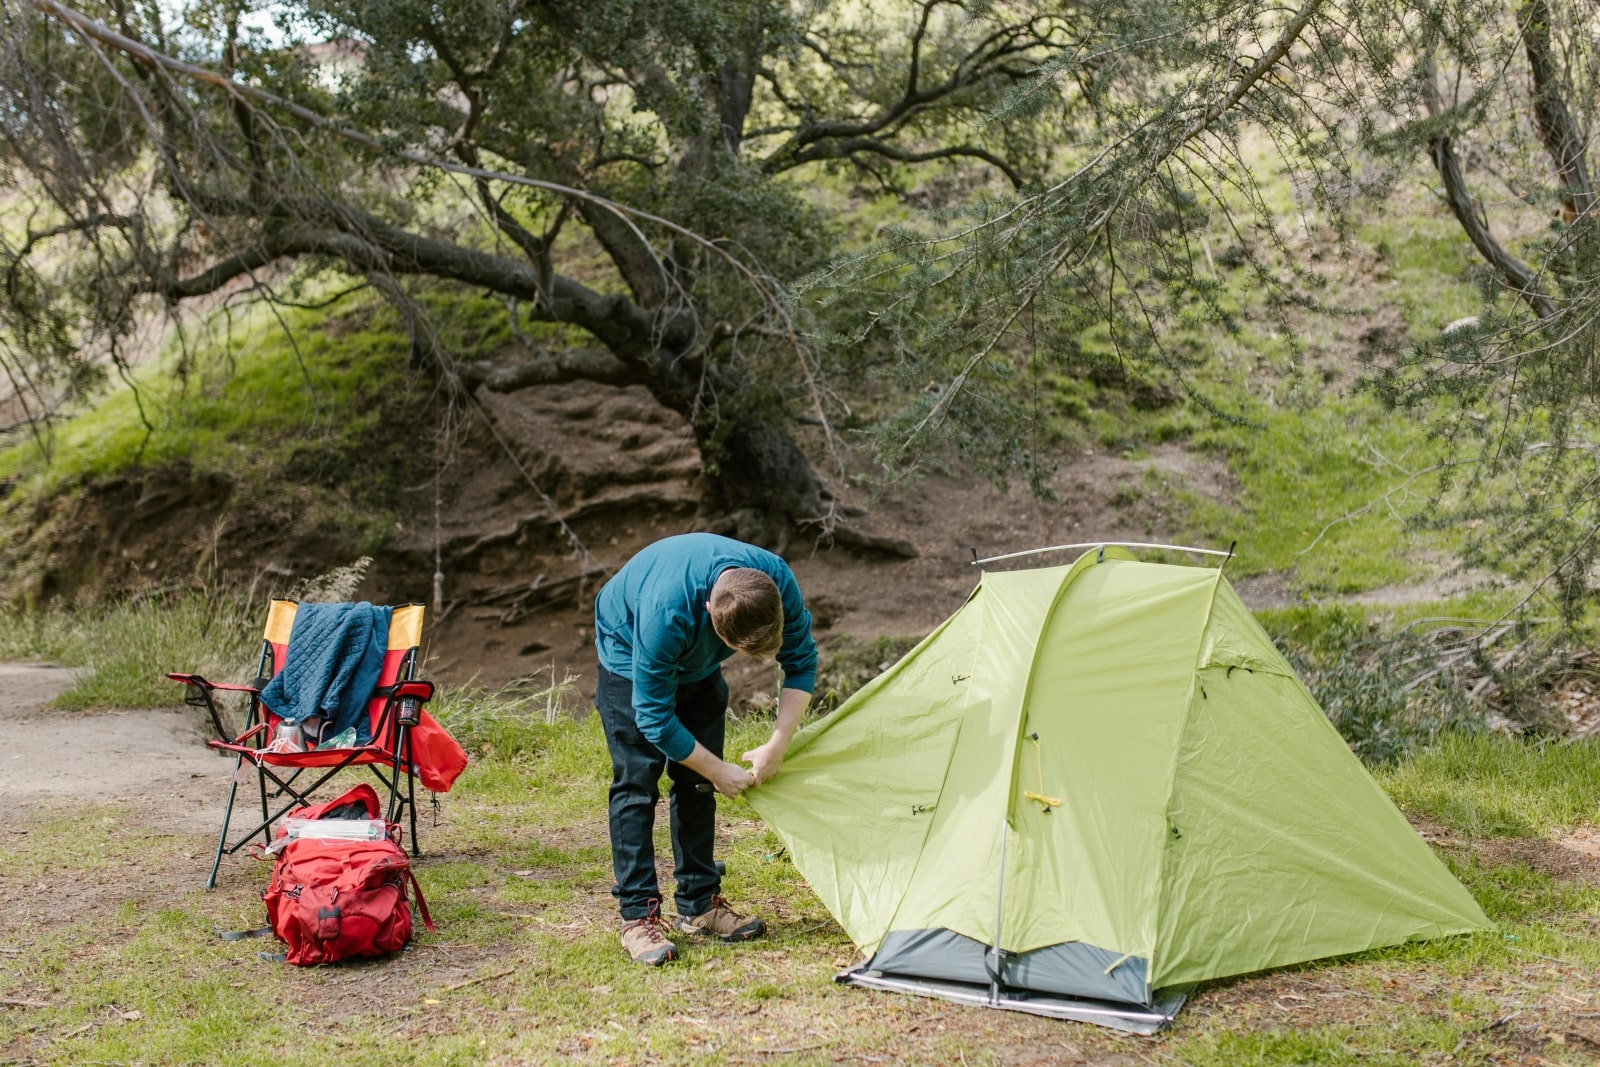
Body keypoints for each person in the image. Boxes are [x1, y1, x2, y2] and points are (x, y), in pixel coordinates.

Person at [592, 532, 817, 966]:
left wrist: (779, 744)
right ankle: (638, 916)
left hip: (697, 658)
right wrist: (718, 769)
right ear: (711, 612)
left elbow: (802, 661)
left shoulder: (776, 581)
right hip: (627, 648)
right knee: (637, 782)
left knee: (696, 784)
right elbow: (654, 718)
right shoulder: (665, 614)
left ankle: (699, 903)